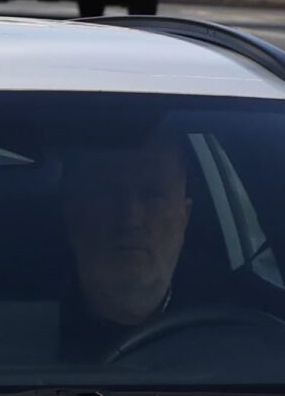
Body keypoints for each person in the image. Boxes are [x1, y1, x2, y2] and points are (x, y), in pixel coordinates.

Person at [57, 128, 196, 353]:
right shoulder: (10, 324)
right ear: (73, 214)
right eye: (109, 193)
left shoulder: (242, 330)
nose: (130, 219)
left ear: (184, 217)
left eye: (152, 195)